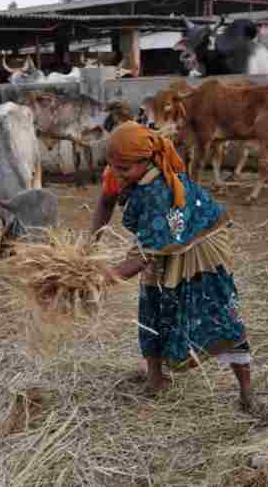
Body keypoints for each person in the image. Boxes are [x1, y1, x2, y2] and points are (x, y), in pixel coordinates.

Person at [91, 121, 255, 412]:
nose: (117, 175)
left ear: (147, 161)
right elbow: (106, 200)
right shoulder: (119, 168)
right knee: (151, 306)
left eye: (125, 170)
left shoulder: (160, 190)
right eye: (113, 167)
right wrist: (92, 245)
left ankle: (247, 394)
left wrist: (101, 279)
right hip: (161, 243)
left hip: (201, 248)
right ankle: (155, 381)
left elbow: (142, 258)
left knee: (219, 313)